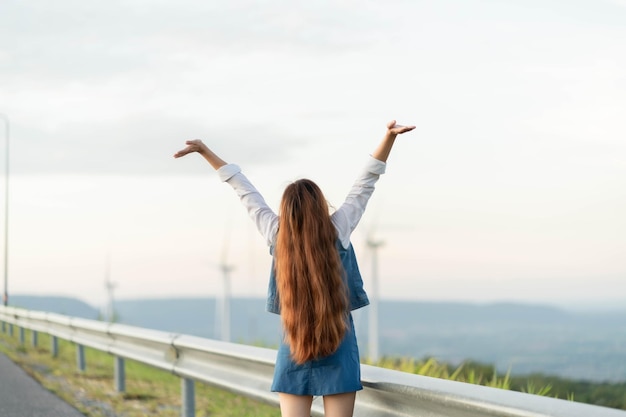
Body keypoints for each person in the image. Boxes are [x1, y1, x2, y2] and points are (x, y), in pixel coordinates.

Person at [174, 120, 415, 417]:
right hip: (338, 345)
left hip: (295, 344)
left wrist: (204, 151)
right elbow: (366, 182)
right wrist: (389, 137)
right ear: (319, 205)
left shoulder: (276, 233)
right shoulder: (337, 229)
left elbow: (243, 189)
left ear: (286, 209)